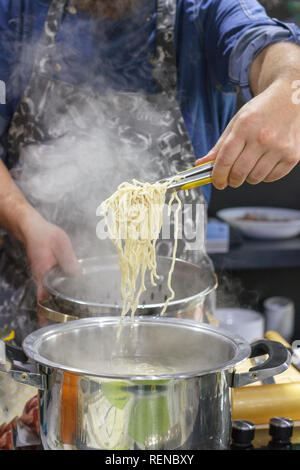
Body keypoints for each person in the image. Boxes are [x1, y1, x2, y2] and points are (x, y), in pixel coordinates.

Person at [0, 0, 300, 344]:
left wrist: (290, 90)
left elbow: (266, 43)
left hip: (179, 324)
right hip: (34, 322)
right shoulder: (17, 11)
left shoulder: (203, 9)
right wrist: (26, 222)